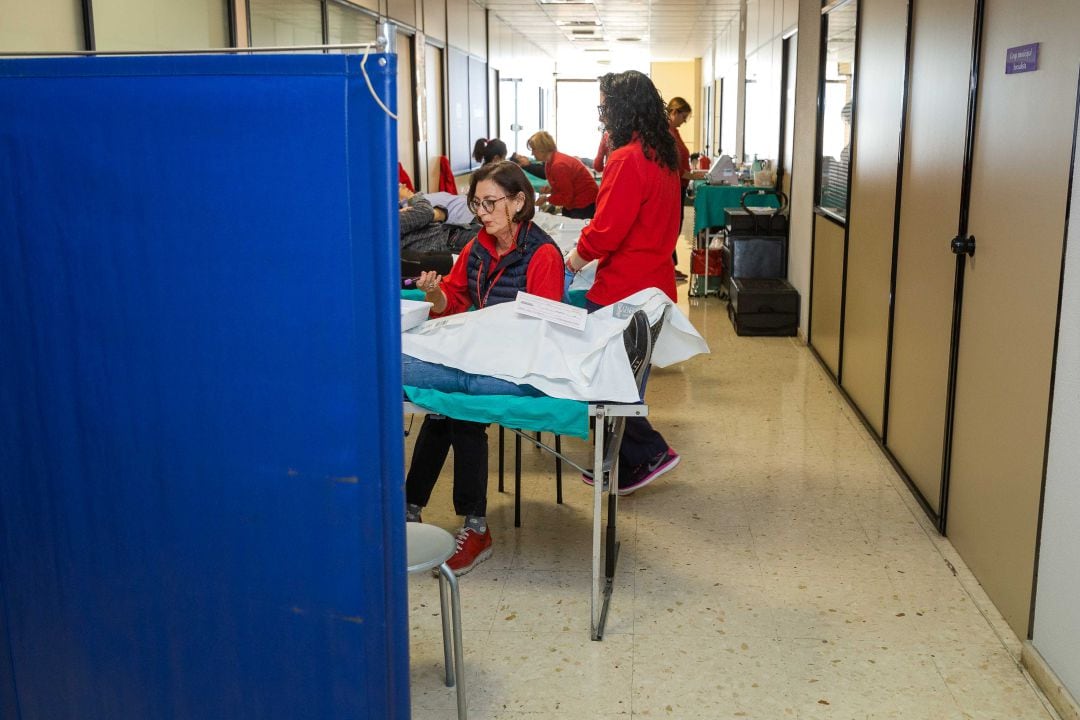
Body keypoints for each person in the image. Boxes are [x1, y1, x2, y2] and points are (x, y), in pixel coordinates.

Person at [404, 160, 565, 575]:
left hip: (526, 366)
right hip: (487, 354)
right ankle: (427, 513)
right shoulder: (478, 245)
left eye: (491, 203)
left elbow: (544, 333)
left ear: (518, 202)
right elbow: (453, 303)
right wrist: (436, 295)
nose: (482, 212)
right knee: (447, 404)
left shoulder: (542, 254)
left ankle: (461, 522)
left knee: (458, 404)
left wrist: (490, 338)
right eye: (476, 203)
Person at [562, 70, 683, 496]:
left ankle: (649, 451)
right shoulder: (663, 156)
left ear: (620, 108)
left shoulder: (628, 158)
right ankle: (611, 463)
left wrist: (573, 260)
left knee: (606, 382)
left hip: (623, 291)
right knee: (627, 378)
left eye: (604, 105)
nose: (602, 114)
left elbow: (607, 228)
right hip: (655, 286)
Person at [665, 97, 708, 280]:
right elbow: (672, 165)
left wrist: (691, 174)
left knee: (674, 226)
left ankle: (669, 266)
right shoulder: (667, 133)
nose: (684, 121)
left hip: (679, 186)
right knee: (671, 227)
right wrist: (691, 175)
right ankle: (667, 267)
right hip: (673, 187)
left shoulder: (674, 131)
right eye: (684, 116)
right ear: (674, 112)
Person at [398, 185, 481, 278]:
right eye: (398, 187)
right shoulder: (389, 222)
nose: (404, 186)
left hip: (457, 231)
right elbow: (427, 212)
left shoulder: (399, 214)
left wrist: (429, 214)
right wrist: (411, 197)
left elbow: (442, 213)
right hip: (450, 242)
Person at [527, 130, 599, 219]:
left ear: (542, 148)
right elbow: (566, 186)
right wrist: (552, 190)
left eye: (534, 149)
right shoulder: (550, 163)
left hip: (584, 204)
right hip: (574, 202)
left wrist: (547, 199)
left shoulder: (558, 165)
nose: (532, 153)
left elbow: (566, 196)